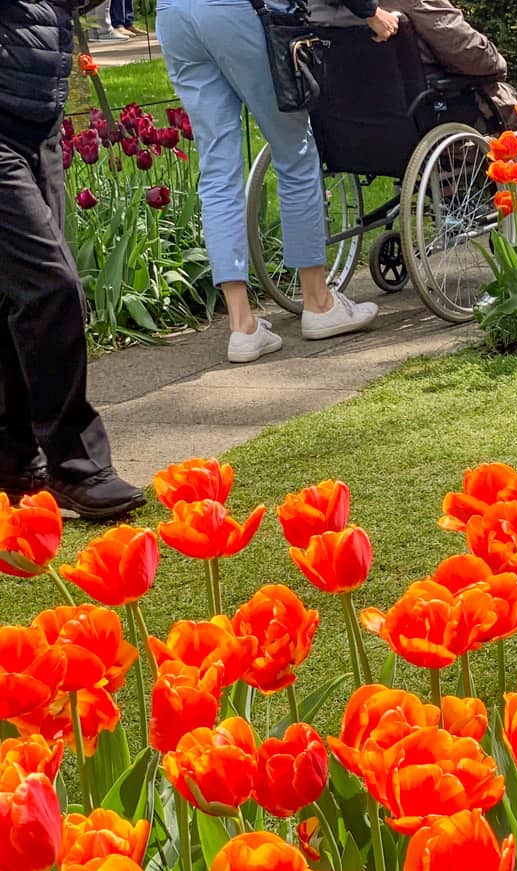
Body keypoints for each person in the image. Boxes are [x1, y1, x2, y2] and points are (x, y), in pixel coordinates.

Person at [156, 0, 389, 364]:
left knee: (217, 169)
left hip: (173, 15)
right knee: (294, 151)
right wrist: (370, 12)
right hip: (239, 11)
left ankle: (242, 326)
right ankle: (318, 303)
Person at [0, 0, 147, 516]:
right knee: (52, 287)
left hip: (38, 118)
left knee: (21, 295)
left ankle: (14, 461)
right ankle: (76, 466)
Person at [305, 0, 517, 129]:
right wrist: (497, 63)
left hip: (345, 124)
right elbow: (469, 53)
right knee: (504, 101)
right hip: (419, 117)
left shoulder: (311, 7)